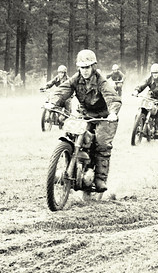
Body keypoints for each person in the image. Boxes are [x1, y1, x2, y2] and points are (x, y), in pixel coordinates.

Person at [52, 49, 121, 192]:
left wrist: (113, 113)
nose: (84, 70)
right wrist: (52, 101)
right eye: (82, 67)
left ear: (93, 66)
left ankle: (100, 179)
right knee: (72, 136)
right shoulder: (76, 79)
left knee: (102, 144)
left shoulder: (101, 81)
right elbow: (63, 90)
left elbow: (112, 97)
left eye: (87, 67)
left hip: (104, 116)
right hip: (84, 114)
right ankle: (70, 171)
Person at [132, 63, 158, 139]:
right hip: (151, 96)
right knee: (142, 107)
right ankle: (137, 125)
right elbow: (142, 85)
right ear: (151, 73)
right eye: (153, 73)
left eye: (156, 73)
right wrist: (136, 91)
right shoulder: (149, 79)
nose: (155, 74)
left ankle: (157, 131)